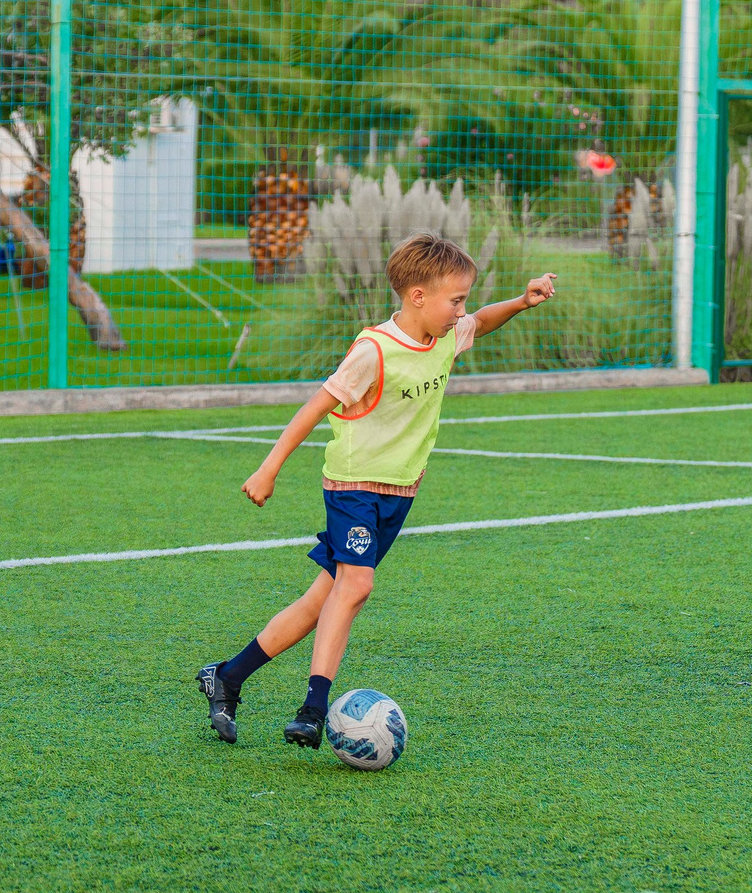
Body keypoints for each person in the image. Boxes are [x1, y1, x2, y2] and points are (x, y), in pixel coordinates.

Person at [196, 235, 557, 747]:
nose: (462, 311)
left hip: (399, 493)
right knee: (357, 587)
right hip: (353, 486)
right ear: (416, 296)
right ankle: (313, 708)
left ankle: (227, 677)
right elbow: (314, 408)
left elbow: (483, 320)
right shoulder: (374, 349)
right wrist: (268, 468)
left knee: (323, 599)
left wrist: (521, 303)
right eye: (455, 300)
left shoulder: (447, 335)